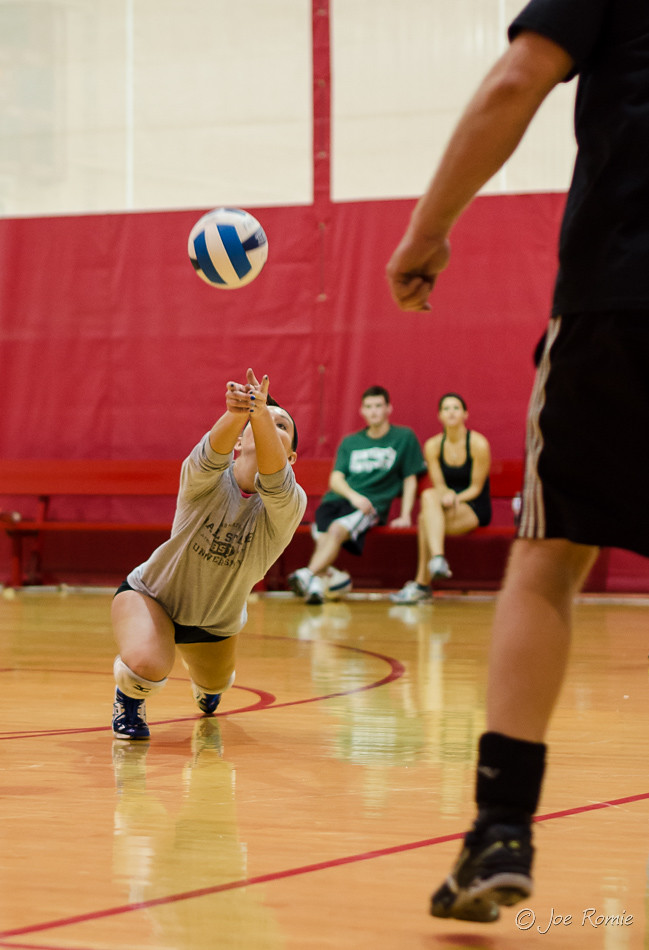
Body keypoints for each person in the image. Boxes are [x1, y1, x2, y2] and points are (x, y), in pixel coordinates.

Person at [386, 0, 649, 924]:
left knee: (550, 555)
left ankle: (501, 826)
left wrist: (425, 231)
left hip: (622, 297)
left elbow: (516, 77)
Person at [111, 368, 306, 741]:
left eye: (282, 426)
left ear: (292, 457)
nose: (269, 425)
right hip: (152, 597)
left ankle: (207, 687)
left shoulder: (289, 504)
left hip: (215, 622)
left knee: (217, 685)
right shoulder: (206, 479)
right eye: (263, 420)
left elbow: (276, 479)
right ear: (238, 441)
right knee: (147, 668)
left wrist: (259, 412)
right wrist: (237, 411)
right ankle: (129, 699)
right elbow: (212, 451)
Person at [287, 386, 426, 605]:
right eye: (369, 407)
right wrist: (353, 496)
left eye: (379, 406)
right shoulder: (351, 442)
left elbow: (410, 478)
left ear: (389, 408)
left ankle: (307, 574)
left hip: (369, 506)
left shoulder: (404, 437)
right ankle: (317, 584)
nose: (374, 411)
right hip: (337, 501)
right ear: (362, 411)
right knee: (324, 539)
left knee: (335, 531)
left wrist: (406, 514)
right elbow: (336, 479)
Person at [391, 392, 491, 604]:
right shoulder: (433, 445)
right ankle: (437, 560)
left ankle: (422, 584)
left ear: (465, 414)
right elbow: (439, 485)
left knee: (424, 520)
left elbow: (475, 487)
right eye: (446, 409)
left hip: (473, 506)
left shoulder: (478, 444)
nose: (451, 412)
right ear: (439, 416)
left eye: (456, 408)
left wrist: (455, 497)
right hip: (444, 504)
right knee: (428, 495)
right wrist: (446, 495)